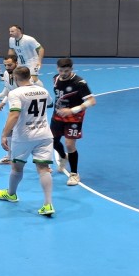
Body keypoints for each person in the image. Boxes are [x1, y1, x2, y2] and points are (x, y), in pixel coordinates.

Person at [0, 66, 55, 216]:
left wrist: (4, 134)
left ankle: (11, 194)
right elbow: (49, 104)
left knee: (17, 168)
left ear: (15, 78)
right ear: (29, 76)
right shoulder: (43, 90)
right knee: (43, 169)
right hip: (44, 135)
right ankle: (48, 204)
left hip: (24, 137)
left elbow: (14, 115)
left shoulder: (15, 93)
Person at [51, 58, 96, 186]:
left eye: (66, 71)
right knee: (52, 141)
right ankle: (63, 156)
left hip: (74, 117)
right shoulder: (55, 78)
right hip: (58, 115)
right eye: (61, 70)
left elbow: (92, 101)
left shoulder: (79, 83)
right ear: (57, 68)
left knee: (69, 144)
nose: (63, 73)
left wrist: (72, 110)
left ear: (71, 69)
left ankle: (74, 174)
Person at [0, 25, 45, 101]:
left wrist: (39, 61)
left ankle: (43, 93)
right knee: (10, 76)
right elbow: (11, 50)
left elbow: (41, 49)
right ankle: (4, 94)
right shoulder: (11, 39)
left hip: (32, 61)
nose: (10, 33)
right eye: (10, 31)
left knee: (33, 78)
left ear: (19, 31)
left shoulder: (29, 39)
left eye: (12, 31)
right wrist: (10, 60)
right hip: (20, 62)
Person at [0, 54, 20, 165]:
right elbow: (9, 90)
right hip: (14, 107)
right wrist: (3, 102)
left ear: (16, 63)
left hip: (23, 109)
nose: (7, 67)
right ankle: (10, 157)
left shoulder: (23, 76)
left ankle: (44, 165)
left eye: (10, 65)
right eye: (5, 65)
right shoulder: (6, 74)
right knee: (9, 131)